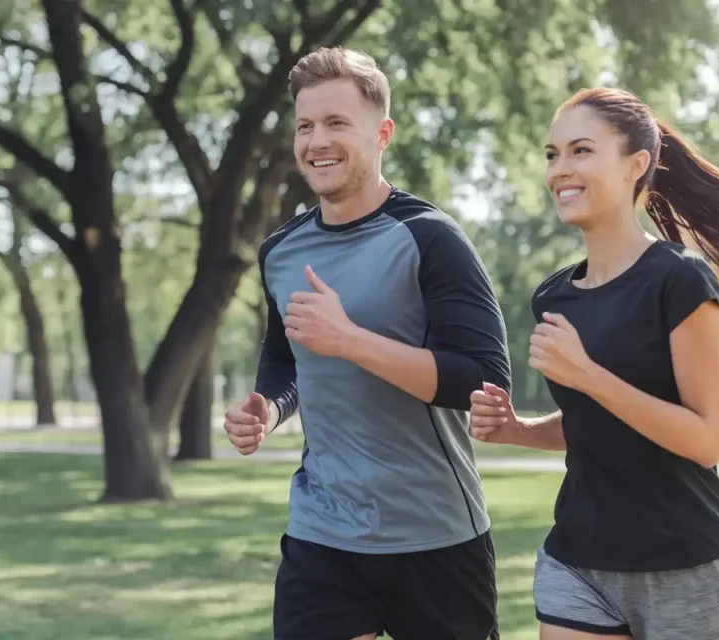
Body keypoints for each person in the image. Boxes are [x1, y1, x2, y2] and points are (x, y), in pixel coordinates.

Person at [469, 87, 719, 640]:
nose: (561, 168)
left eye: (581, 151)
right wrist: (518, 429)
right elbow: (597, 424)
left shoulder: (679, 280)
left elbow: (706, 439)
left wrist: (587, 374)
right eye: (552, 154)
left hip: (685, 564)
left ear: (637, 165)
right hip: (579, 562)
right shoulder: (554, 298)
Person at [221, 46, 511, 640]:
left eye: (335, 124)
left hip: (435, 535)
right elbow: (287, 358)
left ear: (382, 134)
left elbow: (483, 379)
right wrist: (269, 408)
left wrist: (351, 341)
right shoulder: (282, 252)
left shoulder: (431, 238)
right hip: (322, 534)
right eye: (305, 126)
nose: (316, 141)